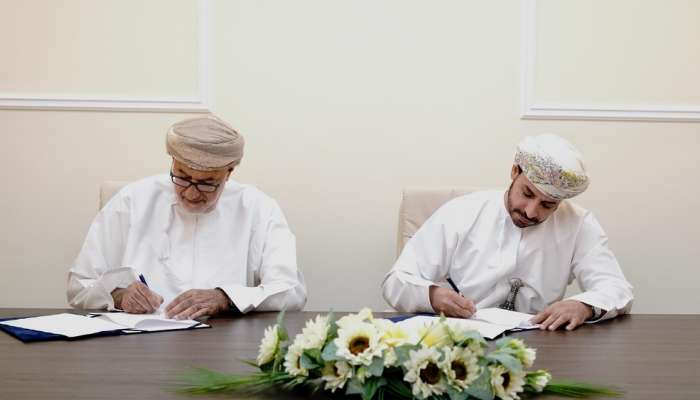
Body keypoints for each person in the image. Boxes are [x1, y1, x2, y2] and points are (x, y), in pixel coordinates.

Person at [382, 134, 633, 331]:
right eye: (527, 193)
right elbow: (396, 281)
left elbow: (616, 288)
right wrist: (433, 295)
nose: (532, 212)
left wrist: (583, 306)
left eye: (548, 205)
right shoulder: (461, 212)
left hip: (541, 343)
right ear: (514, 171)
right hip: (463, 341)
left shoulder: (578, 223)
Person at [67, 115, 306, 319]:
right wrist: (119, 295)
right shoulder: (132, 200)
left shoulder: (258, 208)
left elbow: (291, 292)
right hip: (139, 345)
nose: (191, 194)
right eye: (182, 177)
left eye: (207, 183)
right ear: (173, 161)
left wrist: (225, 298)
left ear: (229, 172)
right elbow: (79, 286)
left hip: (223, 346)